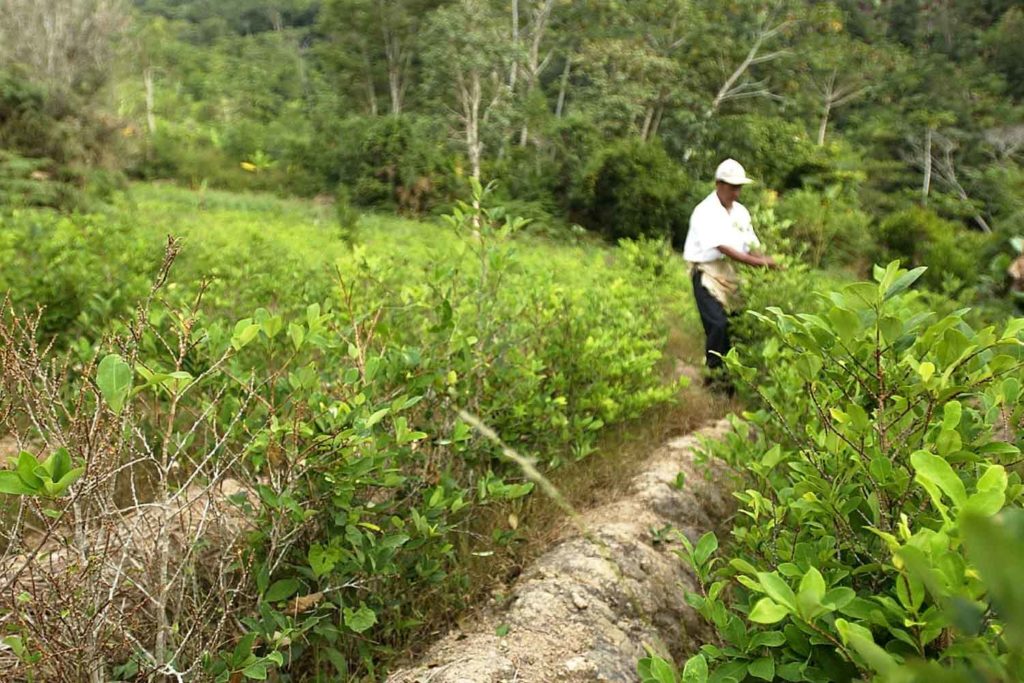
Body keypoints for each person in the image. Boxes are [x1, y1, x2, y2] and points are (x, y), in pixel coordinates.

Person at [682, 158, 778, 392]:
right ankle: (714, 379)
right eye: (732, 186)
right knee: (717, 324)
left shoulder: (741, 213)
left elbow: (751, 243)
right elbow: (723, 247)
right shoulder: (705, 211)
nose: (736, 192)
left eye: (739, 187)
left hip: (730, 273)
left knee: (736, 325)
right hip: (706, 272)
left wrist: (770, 262)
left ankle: (729, 380)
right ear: (719, 184)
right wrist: (759, 262)